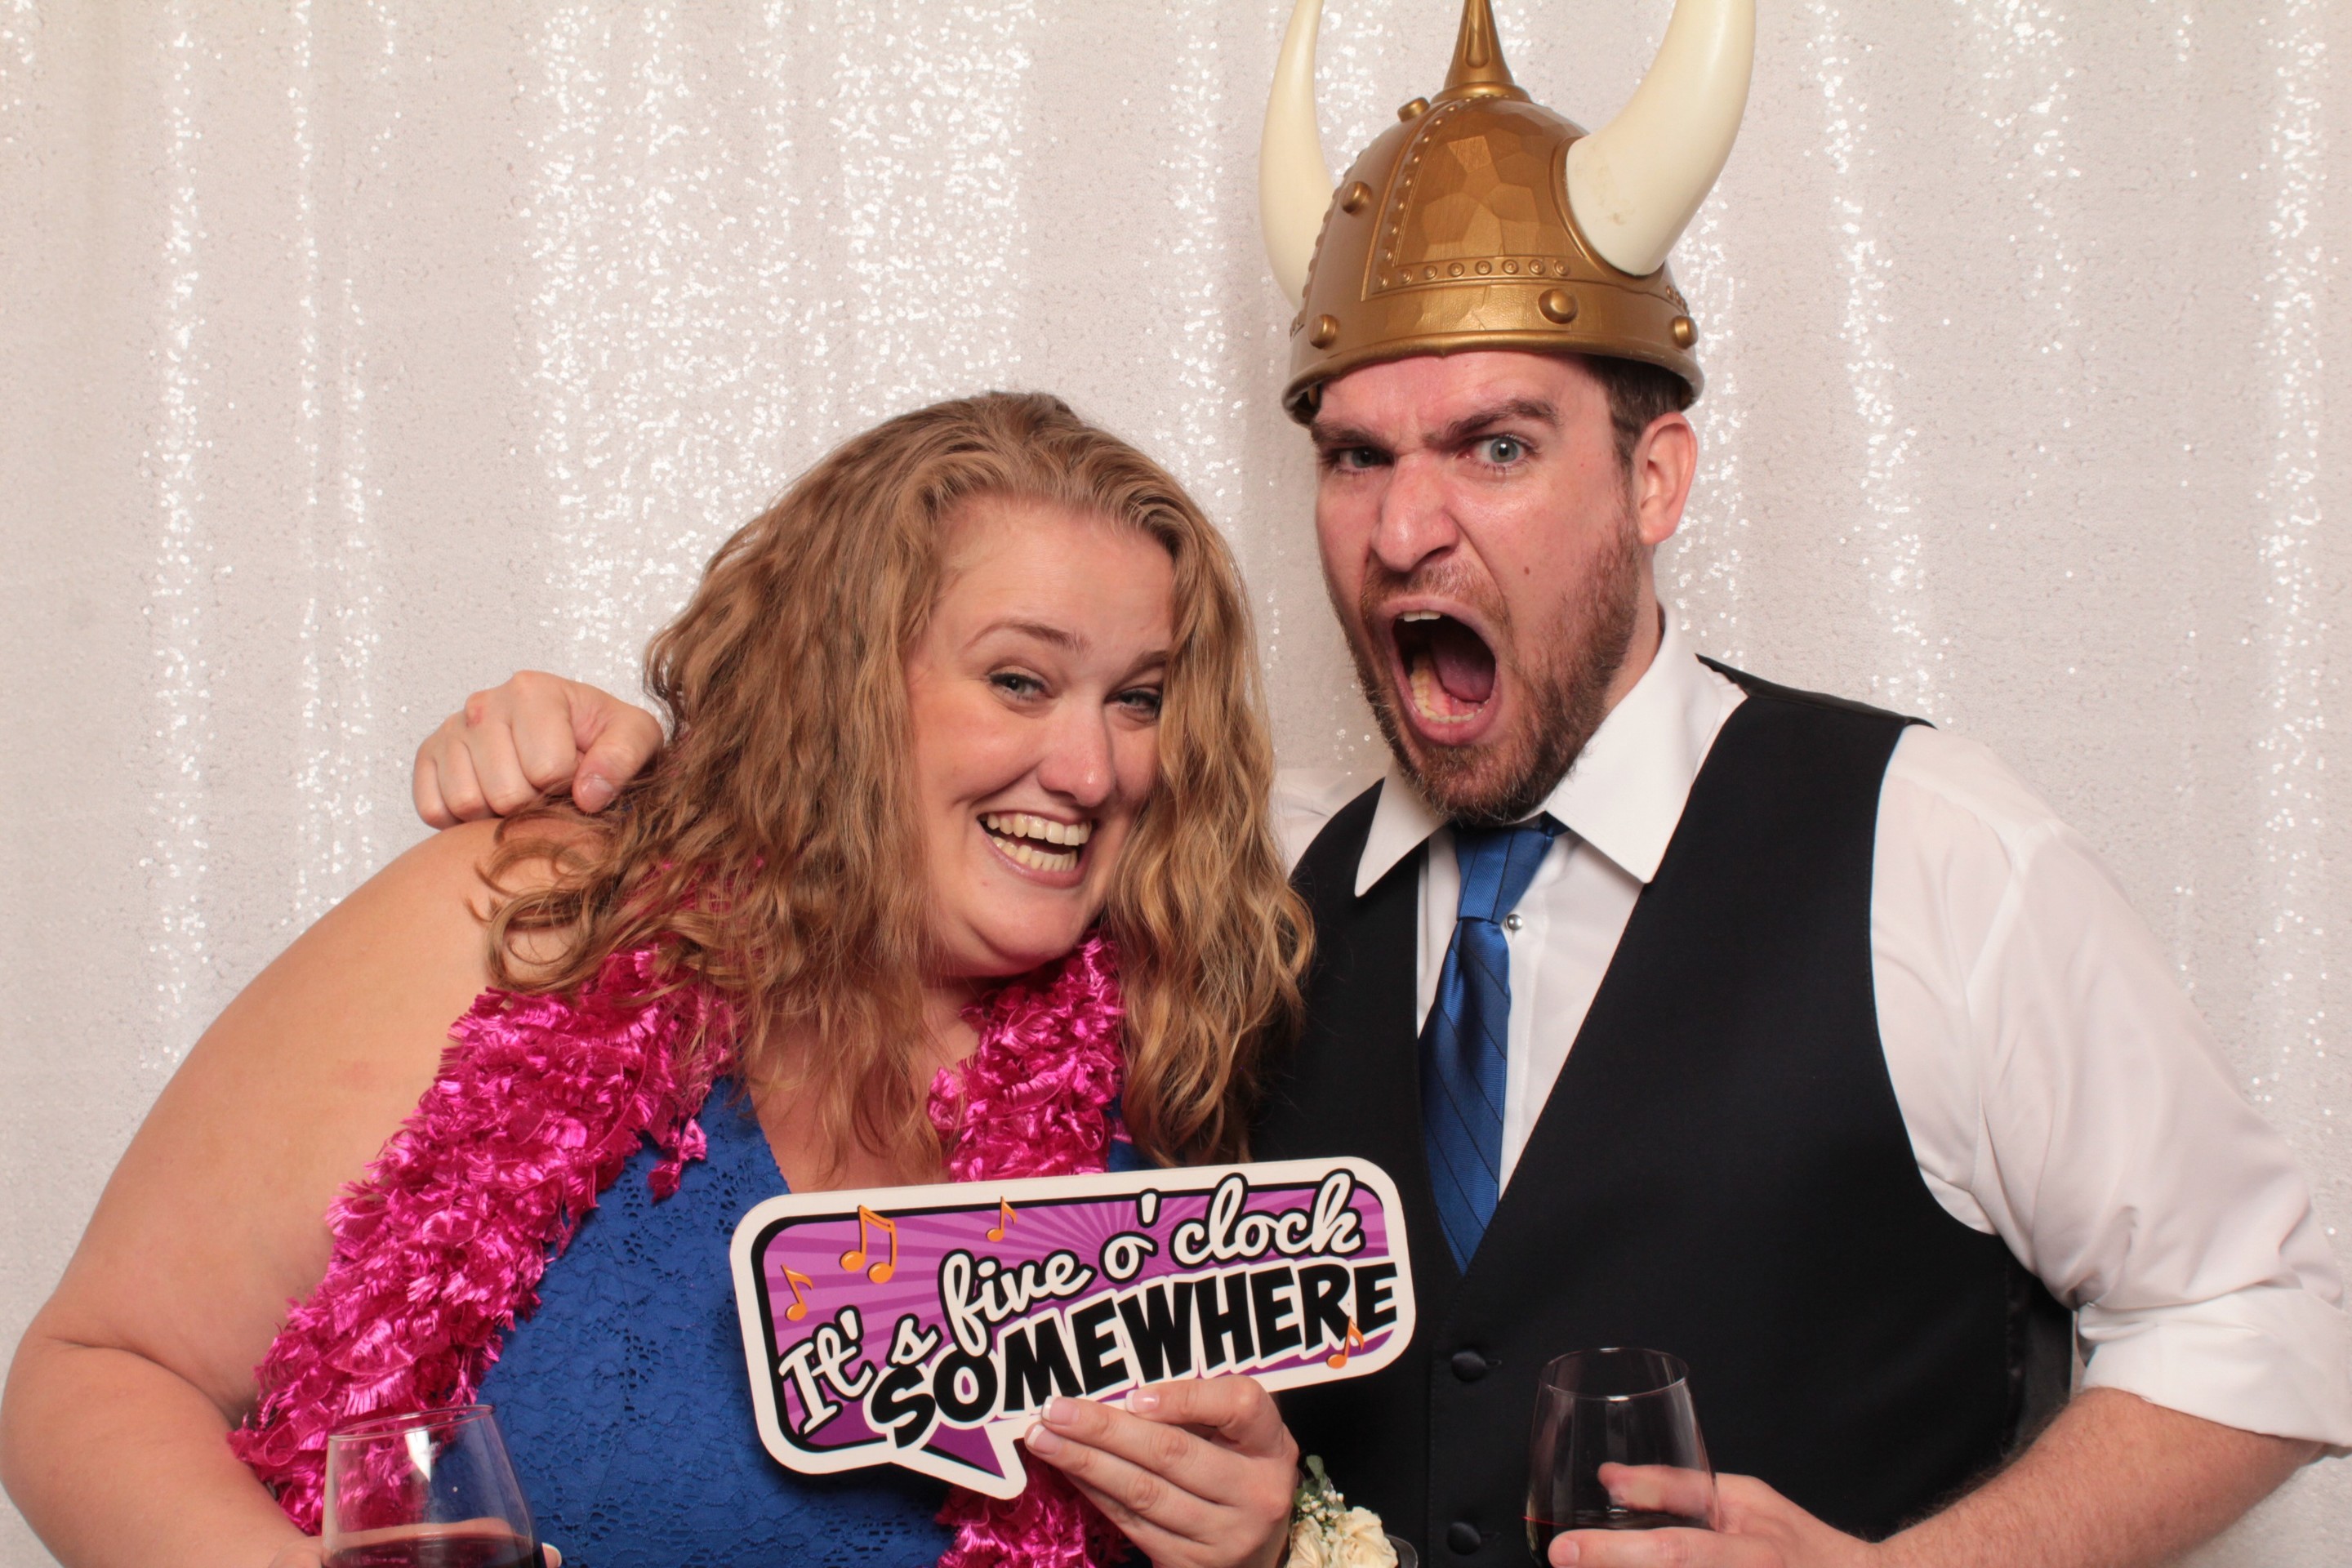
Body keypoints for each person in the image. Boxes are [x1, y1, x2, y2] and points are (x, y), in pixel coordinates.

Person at [406, 3, 2352, 1566]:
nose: (1410, 526)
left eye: (1497, 446)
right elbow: (895, 858)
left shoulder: (1922, 845)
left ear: (1654, 479)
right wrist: (640, 772)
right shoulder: (1253, 924)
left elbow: (2266, 1318)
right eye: (1356, 456)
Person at [0, 393, 1313, 1568]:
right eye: (1019, 681)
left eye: (1139, 701)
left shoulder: (1162, 1066)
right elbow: (102, 1373)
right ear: (844, 687)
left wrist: (1253, 1550)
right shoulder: (538, 915)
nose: (1091, 771)